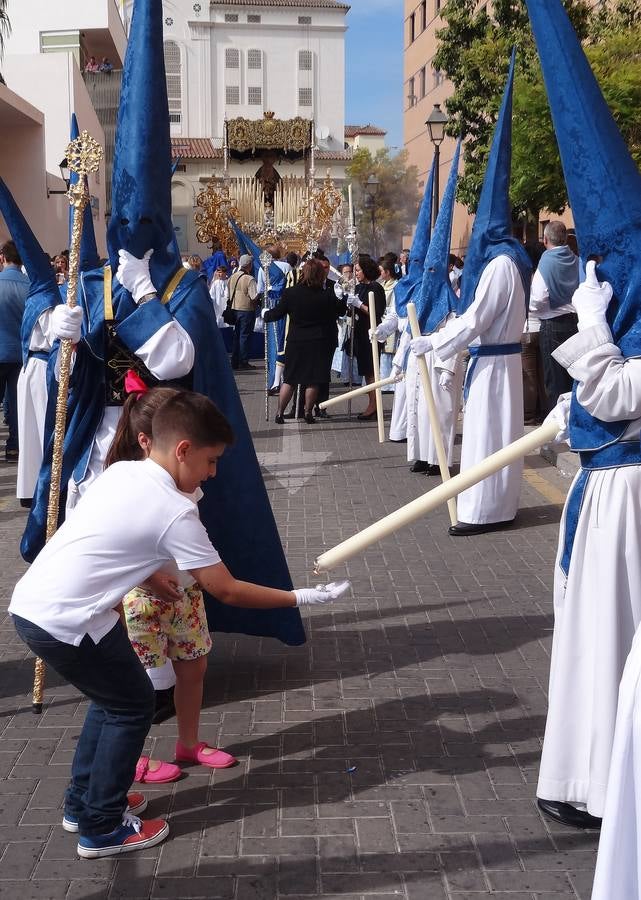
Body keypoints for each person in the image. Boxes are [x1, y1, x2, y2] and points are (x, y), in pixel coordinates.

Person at [9, 390, 350, 858]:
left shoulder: (124, 471)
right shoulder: (175, 510)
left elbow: (104, 534)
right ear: (183, 449)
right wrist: (300, 596)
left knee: (113, 701)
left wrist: (144, 573)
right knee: (130, 707)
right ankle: (103, 827)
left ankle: (84, 804)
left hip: (36, 604)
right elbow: (224, 588)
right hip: (67, 621)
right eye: (210, 461)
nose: (212, 473)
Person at [522, 0, 641, 834]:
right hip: (606, 493)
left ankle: (608, 782)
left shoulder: (615, 306)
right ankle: (579, 768)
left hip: (632, 502)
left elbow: (618, 396)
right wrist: (570, 417)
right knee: (585, 633)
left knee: (611, 640)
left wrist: (591, 327)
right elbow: (595, 405)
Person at [410, 51, 531, 535]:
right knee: (488, 437)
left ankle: (486, 510)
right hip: (491, 364)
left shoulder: (501, 265)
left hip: (495, 364)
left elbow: (478, 319)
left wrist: (434, 342)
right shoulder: (504, 262)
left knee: (488, 438)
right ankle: (488, 506)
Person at [105, 385, 236, 780]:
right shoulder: (124, 478)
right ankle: (133, 757)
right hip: (141, 598)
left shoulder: (183, 477)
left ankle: (189, 743)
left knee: (193, 670)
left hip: (185, 593)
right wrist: (147, 576)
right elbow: (110, 542)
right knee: (142, 684)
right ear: (149, 440)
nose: (211, 472)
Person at [263, 258, 345, 424]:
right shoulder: (326, 295)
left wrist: (265, 314)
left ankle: (279, 412)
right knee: (313, 379)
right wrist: (341, 298)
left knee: (290, 379)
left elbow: (277, 313)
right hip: (318, 341)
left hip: (296, 340)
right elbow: (340, 312)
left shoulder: (291, 293)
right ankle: (308, 412)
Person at [530, 221, 579, 412]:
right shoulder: (575, 259)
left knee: (554, 383)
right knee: (572, 378)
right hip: (574, 323)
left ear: (545, 239)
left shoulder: (546, 260)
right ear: (565, 238)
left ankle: (557, 431)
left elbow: (539, 298)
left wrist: (531, 307)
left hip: (552, 325)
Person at [345, 255, 387, 420]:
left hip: (371, 333)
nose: (356, 273)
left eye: (358, 270)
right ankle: (372, 402)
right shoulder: (360, 287)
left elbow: (375, 313)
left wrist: (359, 304)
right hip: (360, 333)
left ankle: (374, 405)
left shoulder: (375, 288)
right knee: (366, 370)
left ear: (366, 270)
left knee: (371, 370)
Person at [0, 240, 29, 461]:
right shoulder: (30, 285)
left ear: (3, 257)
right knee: (18, 403)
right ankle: (14, 446)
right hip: (20, 353)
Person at [228, 254, 259, 370]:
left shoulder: (232, 277)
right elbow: (254, 296)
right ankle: (243, 361)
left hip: (234, 309)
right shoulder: (249, 279)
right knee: (245, 336)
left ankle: (234, 361)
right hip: (246, 309)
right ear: (249, 265)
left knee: (237, 336)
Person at [378, 254, 399, 388]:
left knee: (391, 350)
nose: (380, 274)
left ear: (387, 272)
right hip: (383, 318)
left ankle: (391, 384)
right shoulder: (382, 284)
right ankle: (384, 383)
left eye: (381, 271)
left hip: (391, 317)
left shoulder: (397, 286)